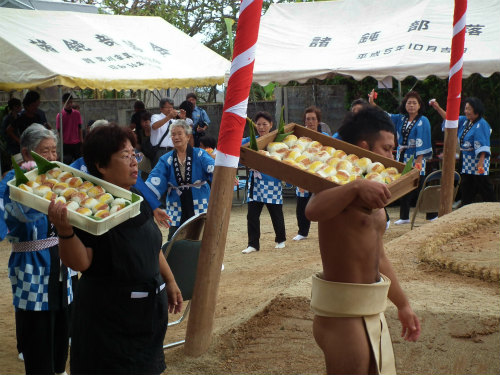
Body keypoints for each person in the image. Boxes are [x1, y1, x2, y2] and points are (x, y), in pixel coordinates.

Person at [47, 124, 183, 374]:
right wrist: (65, 231)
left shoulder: (136, 202)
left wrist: (170, 280)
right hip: (108, 323)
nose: (134, 162)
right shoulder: (90, 208)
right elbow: (80, 263)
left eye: (135, 154)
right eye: (125, 156)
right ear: (101, 165)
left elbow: (151, 247)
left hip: (146, 321)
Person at [305, 107, 421, 375]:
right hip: (341, 311)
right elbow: (312, 211)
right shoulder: (337, 181)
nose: (392, 157)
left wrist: (402, 304)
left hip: (369, 306)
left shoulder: (375, 191)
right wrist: (354, 186)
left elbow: (378, 256)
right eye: (387, 149)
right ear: (364, 147)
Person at [0, 124, 72, 375]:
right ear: (27, 153)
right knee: (37, 324)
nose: (52, 157)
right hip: (30, 259)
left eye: (54, 151)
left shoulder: (58, 176)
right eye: (45, 151)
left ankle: (59, 368)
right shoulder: (11, 182)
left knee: (62, 319)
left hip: (60, 257)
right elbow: (16, 216)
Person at [70, 119, 171, 229]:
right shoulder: (80, 166)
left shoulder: (134, 193)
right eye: (125, 156)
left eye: (133, 155)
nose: (134, 162)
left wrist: (154, 207)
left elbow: (140, 186)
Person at [370, 89, 434, 224]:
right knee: (403, 185)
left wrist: (420, 159)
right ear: (405, 105)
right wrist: (373, 103)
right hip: (402, 155)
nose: (411, 105)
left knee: (421, 185)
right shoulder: (401, 118)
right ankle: (404, 216)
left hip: (417, 156)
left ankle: (432, 214)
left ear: (419, 105)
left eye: (414, 103)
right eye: (409, 103)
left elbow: (423, 139)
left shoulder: (423, 120)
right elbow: (385, 115)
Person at [146, 120, 215, 240]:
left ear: (188, 136)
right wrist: (147, 197)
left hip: (199, 201)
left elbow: (213, 168)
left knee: (202, 238)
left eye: (179, 134)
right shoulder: (165, 159)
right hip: (176, 204)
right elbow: (154, 180)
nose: (176, 137)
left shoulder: (200, 154)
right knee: (174, 239)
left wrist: (227, 176)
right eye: (173, 134)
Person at [430, 97, 495, 205]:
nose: (466, 111)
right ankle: (466, 206)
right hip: (466, 159)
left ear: (476, 109)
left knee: (484, 185)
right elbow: (450, 119)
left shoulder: (482, 124)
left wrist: (481, 161)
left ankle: (493, 208)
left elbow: (483, 143)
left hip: (479, 159)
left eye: (469, 109)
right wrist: (438, 108)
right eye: (465, 109)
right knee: (466, 185)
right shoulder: (465, 121)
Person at [241, 111, 287, 253]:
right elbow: (240, 150)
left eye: (264, 124)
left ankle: (281, 239)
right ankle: (253, 244)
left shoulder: (277, 141)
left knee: (276, 213)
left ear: (271, 125)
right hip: (255, 182)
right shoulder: (251, 140)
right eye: (259, 124)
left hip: (272, 181)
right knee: (252, 215)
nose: (261, 127)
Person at [293, 106, 330, 241]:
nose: (310, 122)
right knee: (302, 202)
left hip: (320, 172)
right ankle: (302, 232)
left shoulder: (325, 137)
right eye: (308, 119)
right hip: (304, 172)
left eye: (313, 119)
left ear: (318, 121)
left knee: (323, 203)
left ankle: (326, 231)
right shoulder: (300, 138)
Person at [150, 97, 182, 167]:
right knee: (159, 174)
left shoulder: (174, 121)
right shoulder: (155, 117)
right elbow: (154, 126)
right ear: (161, 108)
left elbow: (184, 132)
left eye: (171, 107)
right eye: (167, 107)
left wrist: (183, 119)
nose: (170, 109)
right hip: (159, 151)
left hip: (172, 150)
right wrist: (168, 117)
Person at [56, 93, 83, 164]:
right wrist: (61, 143)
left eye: (71, 102)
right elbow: (59, 131)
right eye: (68, 102)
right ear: (63, 103)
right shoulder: (60, 115)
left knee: (79, 162)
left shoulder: (77, 113)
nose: (70, 104)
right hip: (66, 144)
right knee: (67, 164)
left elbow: (79, 128)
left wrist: (81, 141)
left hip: (76, 143)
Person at [1, 98, 22, 168]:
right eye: (20, 106)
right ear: (15, 107)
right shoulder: (7, 119)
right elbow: (5, 133)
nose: (21, 108)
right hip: (11, 147)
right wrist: (18, 140)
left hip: (18, 146)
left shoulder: (19, 117)